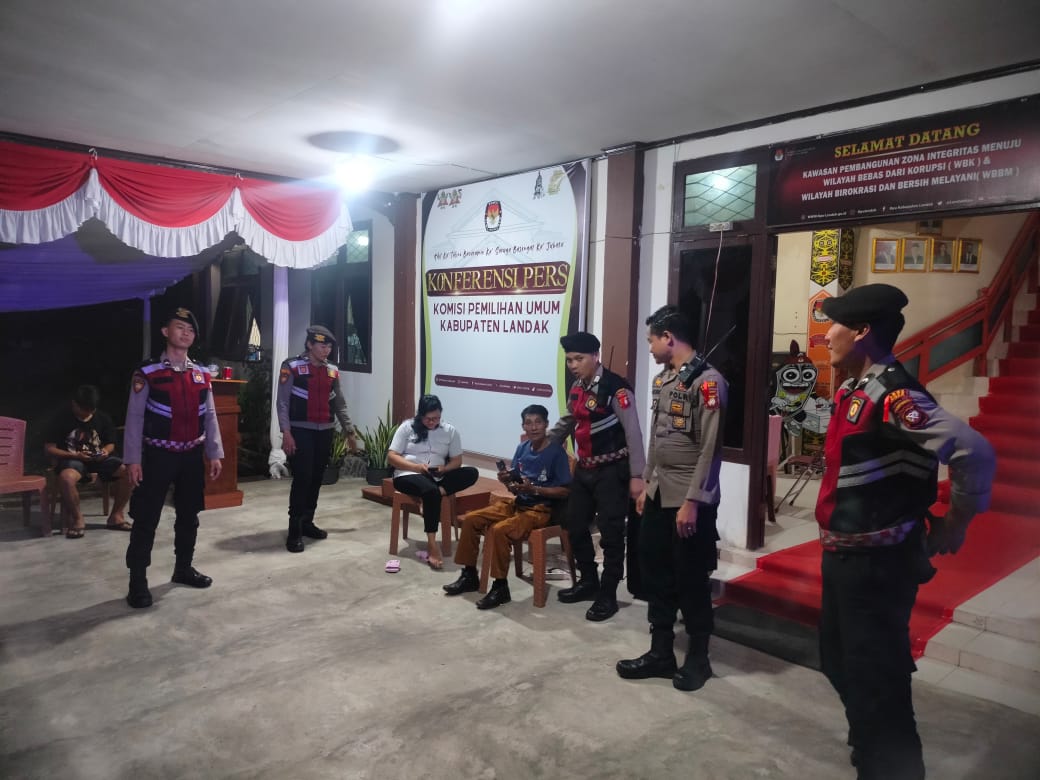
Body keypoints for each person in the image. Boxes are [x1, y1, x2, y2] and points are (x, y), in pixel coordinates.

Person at [815, 284, 995, 779]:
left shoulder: (894, 395)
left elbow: (974, 452)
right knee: (839, 661)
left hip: (877, 567)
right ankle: (871, 745)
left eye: (835, 325)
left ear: (862, 331)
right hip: (845, 558)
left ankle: (892, 766)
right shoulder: (855, 389)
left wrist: (955, 522)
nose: (827, 335)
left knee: (878, 682)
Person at [616, 305, 726, 691]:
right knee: (656, 573)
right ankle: (661, 652)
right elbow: (658, 438)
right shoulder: (664, 380)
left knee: (691, 579)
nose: (649, 348)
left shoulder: (708, 382)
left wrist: (693, 502)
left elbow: (710, 449)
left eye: (651, 340)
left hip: (688, 499)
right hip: (659, 493)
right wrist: (646, 482)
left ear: (668, 338)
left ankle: (699, 657)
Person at [123, 308, 224, 609]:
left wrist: (214, 452)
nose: (185, 333)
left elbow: (211, 415)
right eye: (179, 327)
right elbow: (134, 416)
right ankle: (137, 582)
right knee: (146, 518)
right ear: (166, 332)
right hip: (158, 455)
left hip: (191, 455)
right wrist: (132, 459)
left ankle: (183, 568)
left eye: (190, 330)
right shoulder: (148, 372)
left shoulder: (201, 374)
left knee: (189, 515)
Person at [549, 331, 646, 621]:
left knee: (611, 533)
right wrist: (544, 442)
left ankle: (608, 593)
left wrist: (637, 475)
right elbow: (570, 419)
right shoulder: (577, 387)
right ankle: (588, 581)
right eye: (569, 360)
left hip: (612, 471)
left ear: (595, 356)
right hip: (584, 469)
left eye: (578, 359)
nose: (573, 365)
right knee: (575, 524)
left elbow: (633, 433)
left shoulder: (617, 389)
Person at [442, 404, 571, 608]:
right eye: (528, 423)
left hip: (541, 510)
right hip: (518, 503)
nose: (534, 427)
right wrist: (507, 481)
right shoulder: (522, 448)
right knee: (472, 519)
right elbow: (516, 485)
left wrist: (535, 490)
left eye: (538, 422)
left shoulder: (556, 453)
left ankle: (500, 587)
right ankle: (469, 575)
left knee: (500, 530)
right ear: (523, 426)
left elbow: (565, 491)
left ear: (546, 424)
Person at [277, 325, 358, 552]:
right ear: (310, 344)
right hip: (300, 431)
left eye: (329, 346)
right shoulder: (292, 366)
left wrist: (349, 431)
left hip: (325, 431)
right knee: (302, 478)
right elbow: (282, 403)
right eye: (322, 345)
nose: (326, 350)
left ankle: (307, 522)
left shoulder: (332, 371)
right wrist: (286, 433)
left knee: (316, 478)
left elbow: (339, 403)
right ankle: (294, 529)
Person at [387, 394, 479, 569]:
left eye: (436, 418)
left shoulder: (450, 431)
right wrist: (416, 468)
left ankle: (434, 494)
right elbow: (392, 457)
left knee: (471, 473)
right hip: (408, 474)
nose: (432, 422)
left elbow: (457, 461)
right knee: (430, 491)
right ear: (420, 415)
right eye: (428, 419)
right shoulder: (407, 428)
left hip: (437, 476)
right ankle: (432, 543)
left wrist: (445, 469)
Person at [43, 384, 132, 538]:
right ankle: (78, 519)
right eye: (83, 410)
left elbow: (111, 443)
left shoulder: (103, 418)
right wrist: (75, 455)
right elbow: (49, 449)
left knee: (129, 472)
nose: (87, 414)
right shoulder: (60, 418)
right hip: (73, 460)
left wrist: (105, 451)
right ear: (74, 404)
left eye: (91, 410)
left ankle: (116, 516)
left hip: (99, 460)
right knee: (66, 478)